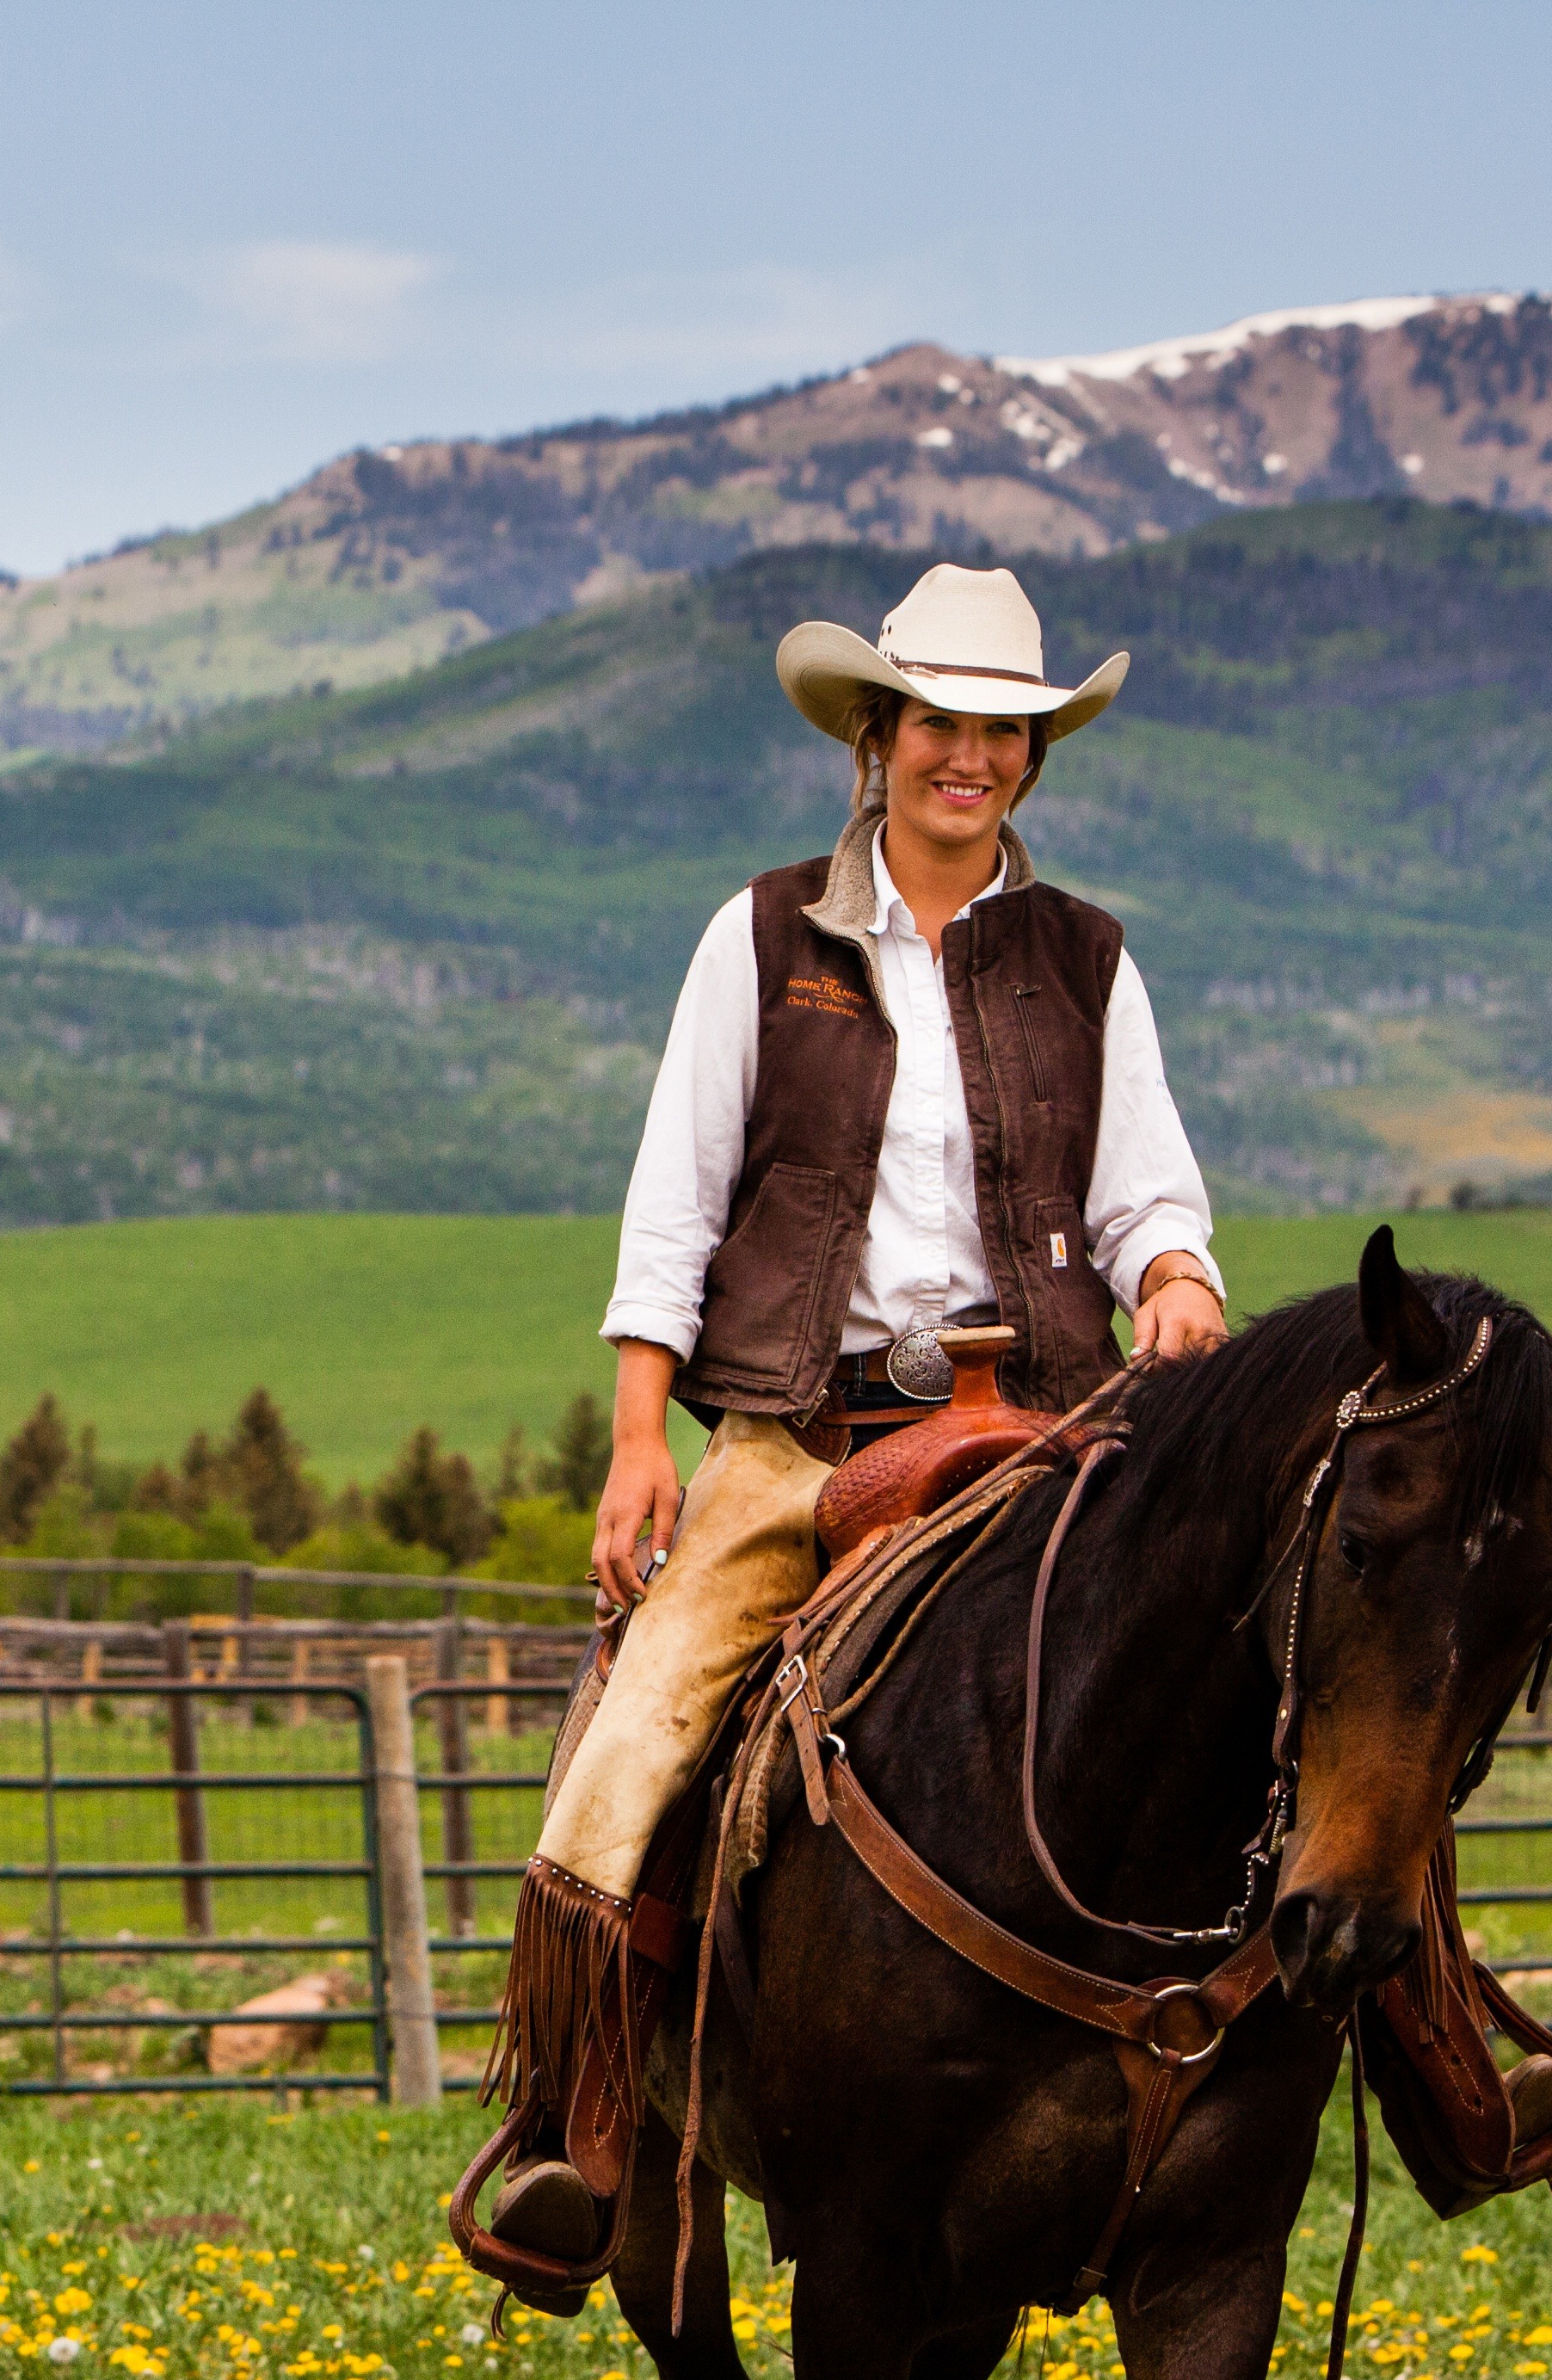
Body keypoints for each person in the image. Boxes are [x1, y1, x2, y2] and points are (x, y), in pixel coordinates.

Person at [486, 562, 1229, 2278]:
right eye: (941, 728)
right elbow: (673, 1204)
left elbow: (1144, 1196)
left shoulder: (1084, 959)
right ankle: (581, 2126)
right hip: (797, 1441)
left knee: (1256, 1672)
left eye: (1003, 734)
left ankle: (1429, 2056)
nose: (969, 759)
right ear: (878, 737)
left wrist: (1178, 1278)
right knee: (636, 1733)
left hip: (1042, 1432)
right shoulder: (762, 938)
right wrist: (636, 1438)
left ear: (1031, 760)